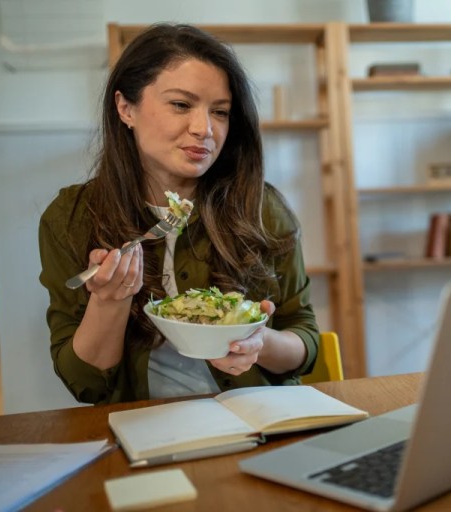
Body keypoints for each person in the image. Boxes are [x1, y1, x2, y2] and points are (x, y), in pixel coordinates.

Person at [38, 23, 319, 405]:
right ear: (126, 108)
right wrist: (109, 302)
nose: (204, 129)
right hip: (145, 431)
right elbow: (85, 384)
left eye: (220, 112)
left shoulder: (259, 206)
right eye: (181, 105)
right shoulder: (70, 218)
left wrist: (259, 342)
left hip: (259, 419)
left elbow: (304, 339)